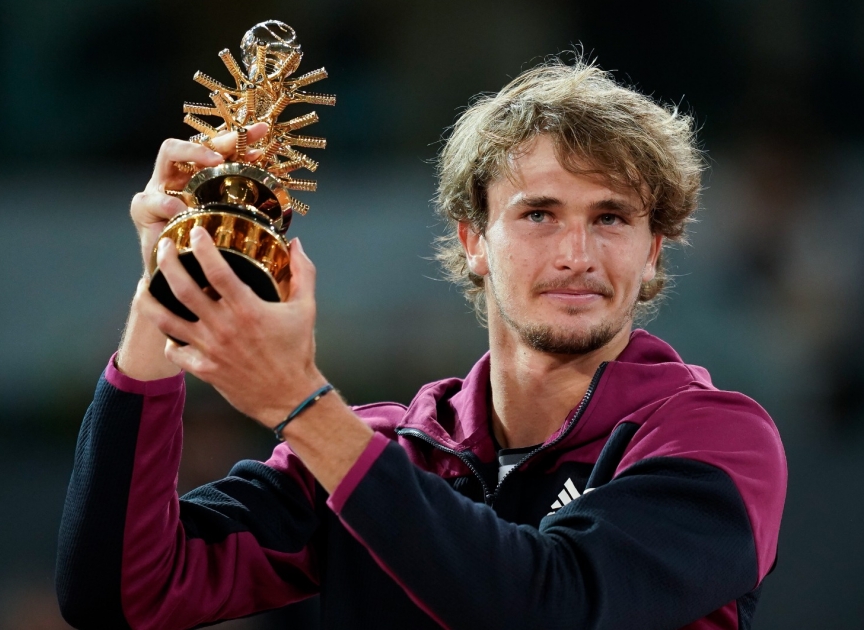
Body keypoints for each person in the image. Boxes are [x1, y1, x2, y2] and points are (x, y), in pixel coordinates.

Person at [56, 58, 787, 630]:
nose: (577, 254)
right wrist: (170, 286)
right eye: (538, 214)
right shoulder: (386, 450)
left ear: (654, 250)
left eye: (611, 218)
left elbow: (550, 607)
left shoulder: (713, 440)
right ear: (473, 240)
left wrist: (299, 405)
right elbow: (121, 594)